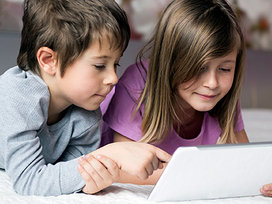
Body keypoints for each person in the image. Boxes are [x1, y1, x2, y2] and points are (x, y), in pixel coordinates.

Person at [83, 0, 272, 200]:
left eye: (225, 69)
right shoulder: (137, 84)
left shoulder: (222, 96)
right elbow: (125, 169)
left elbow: (245, 164)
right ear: (171, 62)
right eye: (199, 68)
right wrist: (213, 174)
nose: (212, 83)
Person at [0, 0, 170, 196]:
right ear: (49, 60)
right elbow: (29, 180)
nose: (113, 78)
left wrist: (90, 179)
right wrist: (110, 153)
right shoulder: (17, 96)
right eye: (99, 65)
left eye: (116, 65)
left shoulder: (86, 113)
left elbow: (71, 173)